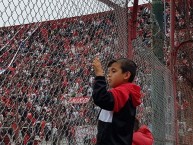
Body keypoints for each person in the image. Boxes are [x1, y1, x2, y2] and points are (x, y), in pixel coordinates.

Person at [92, 57, 141, 145]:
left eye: (113, 71)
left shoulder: (124, 92)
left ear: (126, 75)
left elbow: (101, 98)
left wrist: (99, 74)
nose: (109, 75)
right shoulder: (122, 92)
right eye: (109, 72)